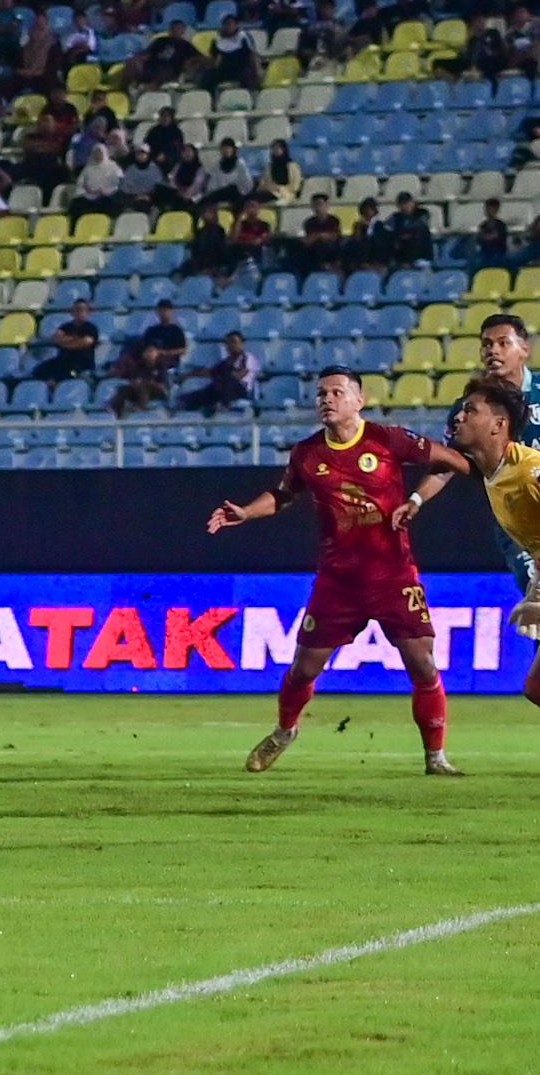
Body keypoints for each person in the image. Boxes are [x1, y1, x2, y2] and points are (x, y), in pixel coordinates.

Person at [206, 367, 468, 777]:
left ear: (358, 400)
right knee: (303, 668)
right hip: (338, 584)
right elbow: (282, 495)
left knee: (423, 665)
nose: (326, 399)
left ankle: (436, 757)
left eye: (336, 392)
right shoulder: (308, 453)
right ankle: (285, 730)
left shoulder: (388, 439)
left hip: (393, 577)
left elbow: (454, 462)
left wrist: (416, 498)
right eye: (321, 393)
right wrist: (247, 511)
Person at [393, 313, 540, 591]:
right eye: (486, 344)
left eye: (502, 343)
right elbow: (447, 462)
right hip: (516, 516)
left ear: (524, 348)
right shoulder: (467, 410)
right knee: (534, 586)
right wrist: (416, 499)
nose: (492, 350)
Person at [442, 377, 540, 711]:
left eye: (471, 410)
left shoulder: (529, 471)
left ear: (499, 424)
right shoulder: (495, 474)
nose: (459, 416)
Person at [32, 299, 99, 382]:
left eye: (81, 310)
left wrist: (66, 341)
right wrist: (75, 341)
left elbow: (85, 342)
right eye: (76, 310)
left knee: (66, 376)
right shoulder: (65, 326)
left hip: (82, 363)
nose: (78, 312)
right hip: (62, 360)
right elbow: (56, 339)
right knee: (37, 372)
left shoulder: (91, 328)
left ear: (88, 312)